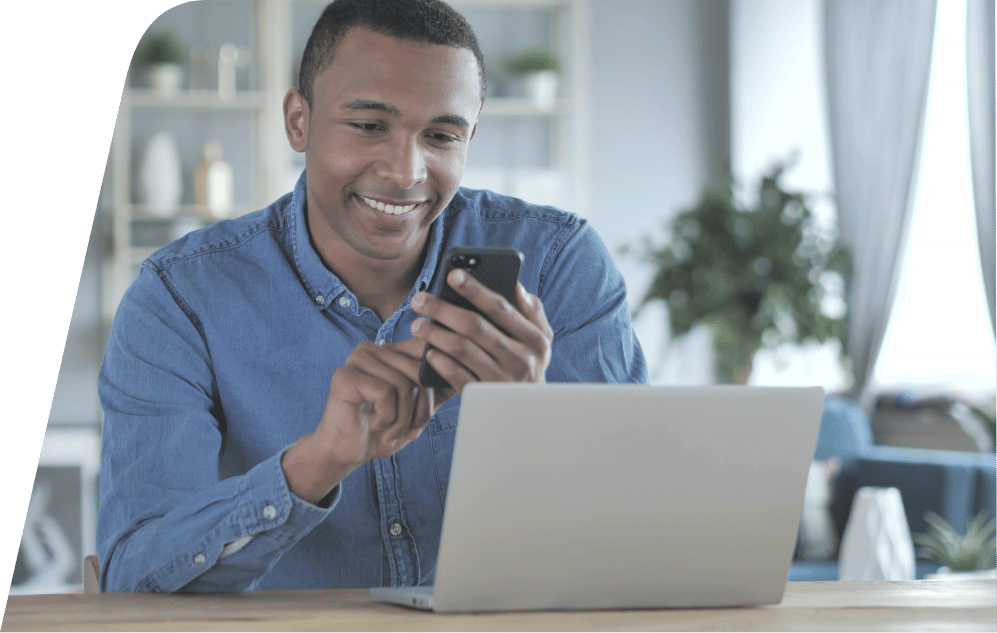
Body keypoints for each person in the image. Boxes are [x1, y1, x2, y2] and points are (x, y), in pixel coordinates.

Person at [97, 0, 646, 593]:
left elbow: (641, 537)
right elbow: (134, 577)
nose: (407, 172)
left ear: (469, 138)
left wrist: (535, 425)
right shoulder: (179, 298)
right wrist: (319, 461)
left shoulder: (559, 264)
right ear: (298, 121)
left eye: (441, 135)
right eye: (368, 126)